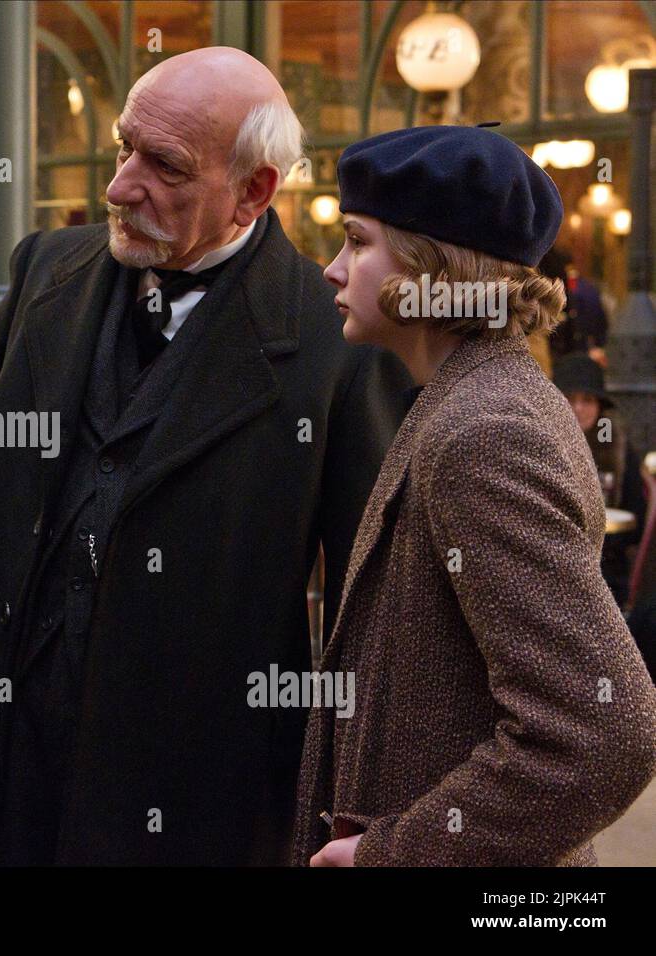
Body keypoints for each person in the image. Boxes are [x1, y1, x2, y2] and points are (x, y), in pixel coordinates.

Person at [0, 47, 412, 866]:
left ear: (254, 191)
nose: (121, 186)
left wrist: (357, 803)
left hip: (186, 777)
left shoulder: (334, 340)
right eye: (124, 147)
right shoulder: (45, 268)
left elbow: (366, 596)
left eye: (164, 166)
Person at [297, 124, 656, 867]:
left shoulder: (482, 430)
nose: (331, 270)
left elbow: (606, 729)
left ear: (432, 268)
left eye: (358, 242)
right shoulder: (472, 398)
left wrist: (392, 853)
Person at [553, 352, 647, 609]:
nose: (578, 408)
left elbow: (635, 516)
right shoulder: (542, 445)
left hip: (606, 567)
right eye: (570, 398)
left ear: (600, 405)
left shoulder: (619, 447)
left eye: (587, 400)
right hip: (552, 563)